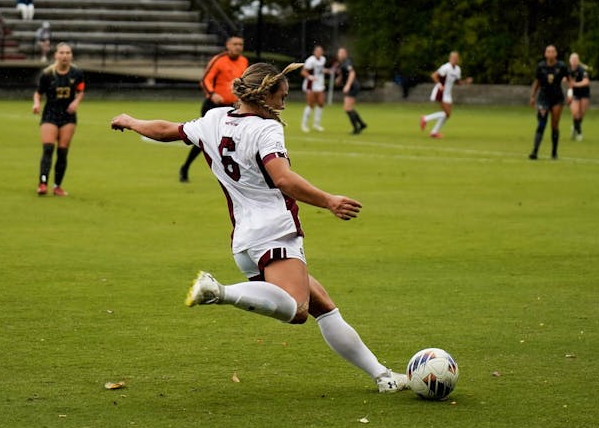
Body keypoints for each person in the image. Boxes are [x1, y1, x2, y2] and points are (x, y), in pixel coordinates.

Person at [110, 62, 408, 394]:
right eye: (282, 95)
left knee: (322, 305)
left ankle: (383, 377)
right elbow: (282, 177)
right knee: (297, 310)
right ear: (265, 95)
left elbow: (168, 130)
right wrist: (329, 201)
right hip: (275, 232)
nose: (284, 101)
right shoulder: (266, 130)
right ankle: (221, 292)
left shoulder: (215, 119)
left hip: (244, 242)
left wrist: (132, 121)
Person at [179, 35, 248, 182]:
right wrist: (212, 94)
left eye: (240, 44)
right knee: (205, 138)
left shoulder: (244, 62)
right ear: (227, 45)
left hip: (233, 108)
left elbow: (244, 83)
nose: (238, 47)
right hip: (214, 106)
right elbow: (205, 80)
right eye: (235, 44)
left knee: (235, 139)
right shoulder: (219, 60)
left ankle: (235, 174)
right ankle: (185, 167)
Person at [32, 42, 85, 196]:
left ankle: (57, 186)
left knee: (62, 152)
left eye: (68, 53)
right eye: (61, 53)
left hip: (68, 116)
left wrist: (76, 102)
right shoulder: (47, 74)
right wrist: (36, 104)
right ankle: (42, 183)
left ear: (71, 55)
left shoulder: (77, 73)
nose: (65, 56)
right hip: (50, 114)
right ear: (55, 55)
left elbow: (81, 91)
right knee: (48, 149)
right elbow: (38, 93)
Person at [528, 44, 569, 160]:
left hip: (557, 99)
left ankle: (554, 153)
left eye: (552, 51)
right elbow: (537, 82)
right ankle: (534, 152)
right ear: (545, 54)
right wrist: (532, 97)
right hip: (543, 98)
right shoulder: (541, 66)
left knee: (554, 125)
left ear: (556, 54)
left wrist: (570, 94)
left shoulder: (561, 66)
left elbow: (569, 81)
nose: (550, 54)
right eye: (548, 51)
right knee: (541, 123)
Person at [420, 51, 473, 138]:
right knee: (447, 113)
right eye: (452, 58)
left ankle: (433, 132)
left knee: (447, 115)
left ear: (458, 59)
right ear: (449, 58)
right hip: (440, 92)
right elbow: (434, 75)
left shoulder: (457, 69)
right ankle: (425, 119)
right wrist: (440, 85)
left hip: (447, 94)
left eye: (455, 58)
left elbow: (458, 82)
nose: (454, 59)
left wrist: (466, 81)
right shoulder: (445, 67)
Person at [334, 47, 367, 134]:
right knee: (348, 108)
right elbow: (344, 74)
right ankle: (361, 124)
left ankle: (356, 128)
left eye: (342, 53)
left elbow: (352, 73)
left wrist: (347, 85)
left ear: (346, 54)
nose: (340, 54)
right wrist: (339, 79)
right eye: (339, 53)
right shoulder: (342, 64)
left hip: (353, 86)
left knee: (347, 108)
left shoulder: (347, 62)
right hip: (352, 86)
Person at [300, 45, 328, 132]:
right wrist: (310, 77)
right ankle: (304, 124)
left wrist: (326, 71)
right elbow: (303, 72)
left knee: (321, 103)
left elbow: (320, 70)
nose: (319, 53)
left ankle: (316, 124)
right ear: (314, 52)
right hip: (310, 85)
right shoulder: (310, 60)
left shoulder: (323, 59)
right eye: (318, 51)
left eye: (321, 51)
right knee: (311, 104)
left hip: (320, 84)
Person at [567, 52, 590, 141]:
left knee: (581, 114)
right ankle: (579, 133)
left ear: (578, 60)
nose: (574, 61)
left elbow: (586, 82)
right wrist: (569, 94)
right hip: (575, 94)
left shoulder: (582, 70)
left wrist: (575, 84)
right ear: (569, 61)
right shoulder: (568, 71)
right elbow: (568, 83)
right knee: (575, 113)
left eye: (575, 59)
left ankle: (575, 127)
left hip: (584, 93)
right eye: (572, 59)